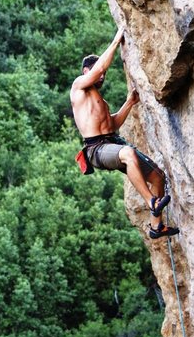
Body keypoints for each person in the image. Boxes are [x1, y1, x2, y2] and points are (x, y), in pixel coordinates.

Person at [70, 27, 179, 239]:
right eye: (97, 74)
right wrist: (116, 39)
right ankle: (152, 202)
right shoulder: (79, 87)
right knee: (127, 153)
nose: (102, 77)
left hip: (110, 141)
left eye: (104, 76)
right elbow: (100, 67)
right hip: (96, 150)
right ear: (86, 72)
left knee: (158, 177)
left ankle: (156, 226)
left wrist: (130, 102)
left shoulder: (100, 101)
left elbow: (113, 124)